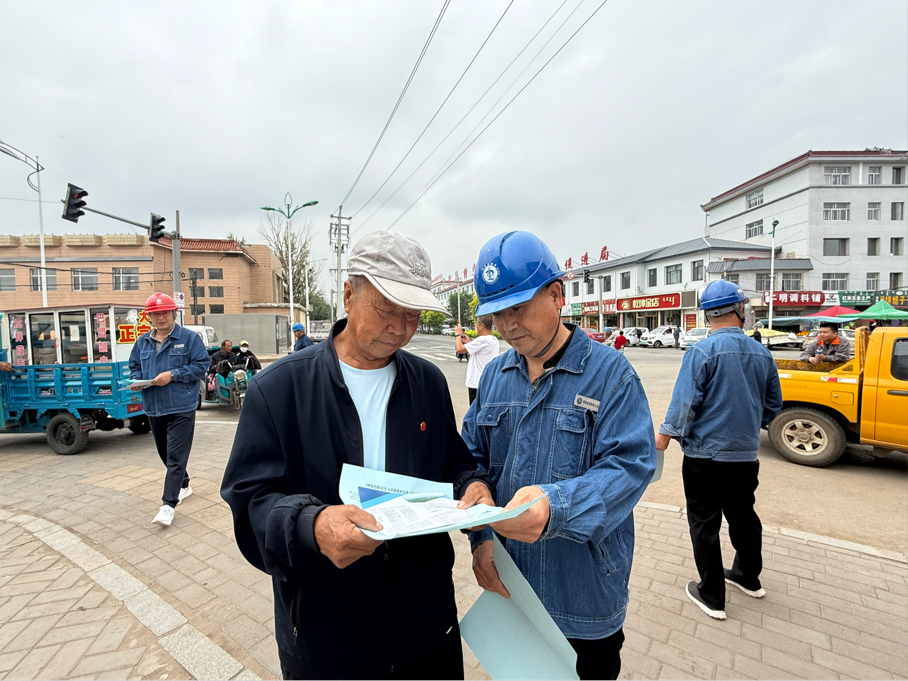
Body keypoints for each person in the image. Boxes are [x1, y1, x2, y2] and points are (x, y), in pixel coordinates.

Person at [221, 231, 494, 680]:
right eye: (388, 308)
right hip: (325, 638)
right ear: (349, 294)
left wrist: (473, 486)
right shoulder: (279, 390)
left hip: (425, 631)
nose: (402, 327)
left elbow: (454, 463)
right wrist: (312, 526)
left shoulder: (426, 383)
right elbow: (250, 502)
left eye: (413, 314)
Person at [462, 231, 657, 681]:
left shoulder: (611, 375)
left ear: (556, 295)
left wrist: (556, 507)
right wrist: (481, 535)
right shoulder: (495, 376)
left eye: (519, 308)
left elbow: (629, 466)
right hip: (511, 586)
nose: (508, 325)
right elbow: (471, 456)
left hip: (583, 598)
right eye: (497, 313)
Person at [655, 280, 782, 621]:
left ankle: (712, 595)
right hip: (744, 456)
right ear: (740, 310)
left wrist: (665, 437)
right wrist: (747, 425)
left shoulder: (702, 352)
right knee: (744, 515)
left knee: (704, 523)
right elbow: (773, 406)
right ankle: (748, 577)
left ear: (708, 315)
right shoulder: (762, 353)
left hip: (704, 457)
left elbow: (684, 403)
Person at [128, 293, 209, 527]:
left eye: (165, 312)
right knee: (165, 454)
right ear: (149, 317)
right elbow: (134, 366)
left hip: (181, 407)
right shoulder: (142, 342)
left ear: (173, 313)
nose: (161, 317)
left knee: (175, 457)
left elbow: (201, 366)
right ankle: (184, 484)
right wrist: (136, 380)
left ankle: (168, 505)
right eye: (155, 314)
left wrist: (173, 375)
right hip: (154, 407)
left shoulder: (189, 338)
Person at [454, 315, 498, 405]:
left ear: (482, 325)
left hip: (477, 383)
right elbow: (481, 351)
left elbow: (459, 349)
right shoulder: (493, 339)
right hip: (487, 382)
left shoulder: (482, 340)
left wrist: (458, 334)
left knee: (474, 413)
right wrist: (469, 342)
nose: (476, 327)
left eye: (476, 324)